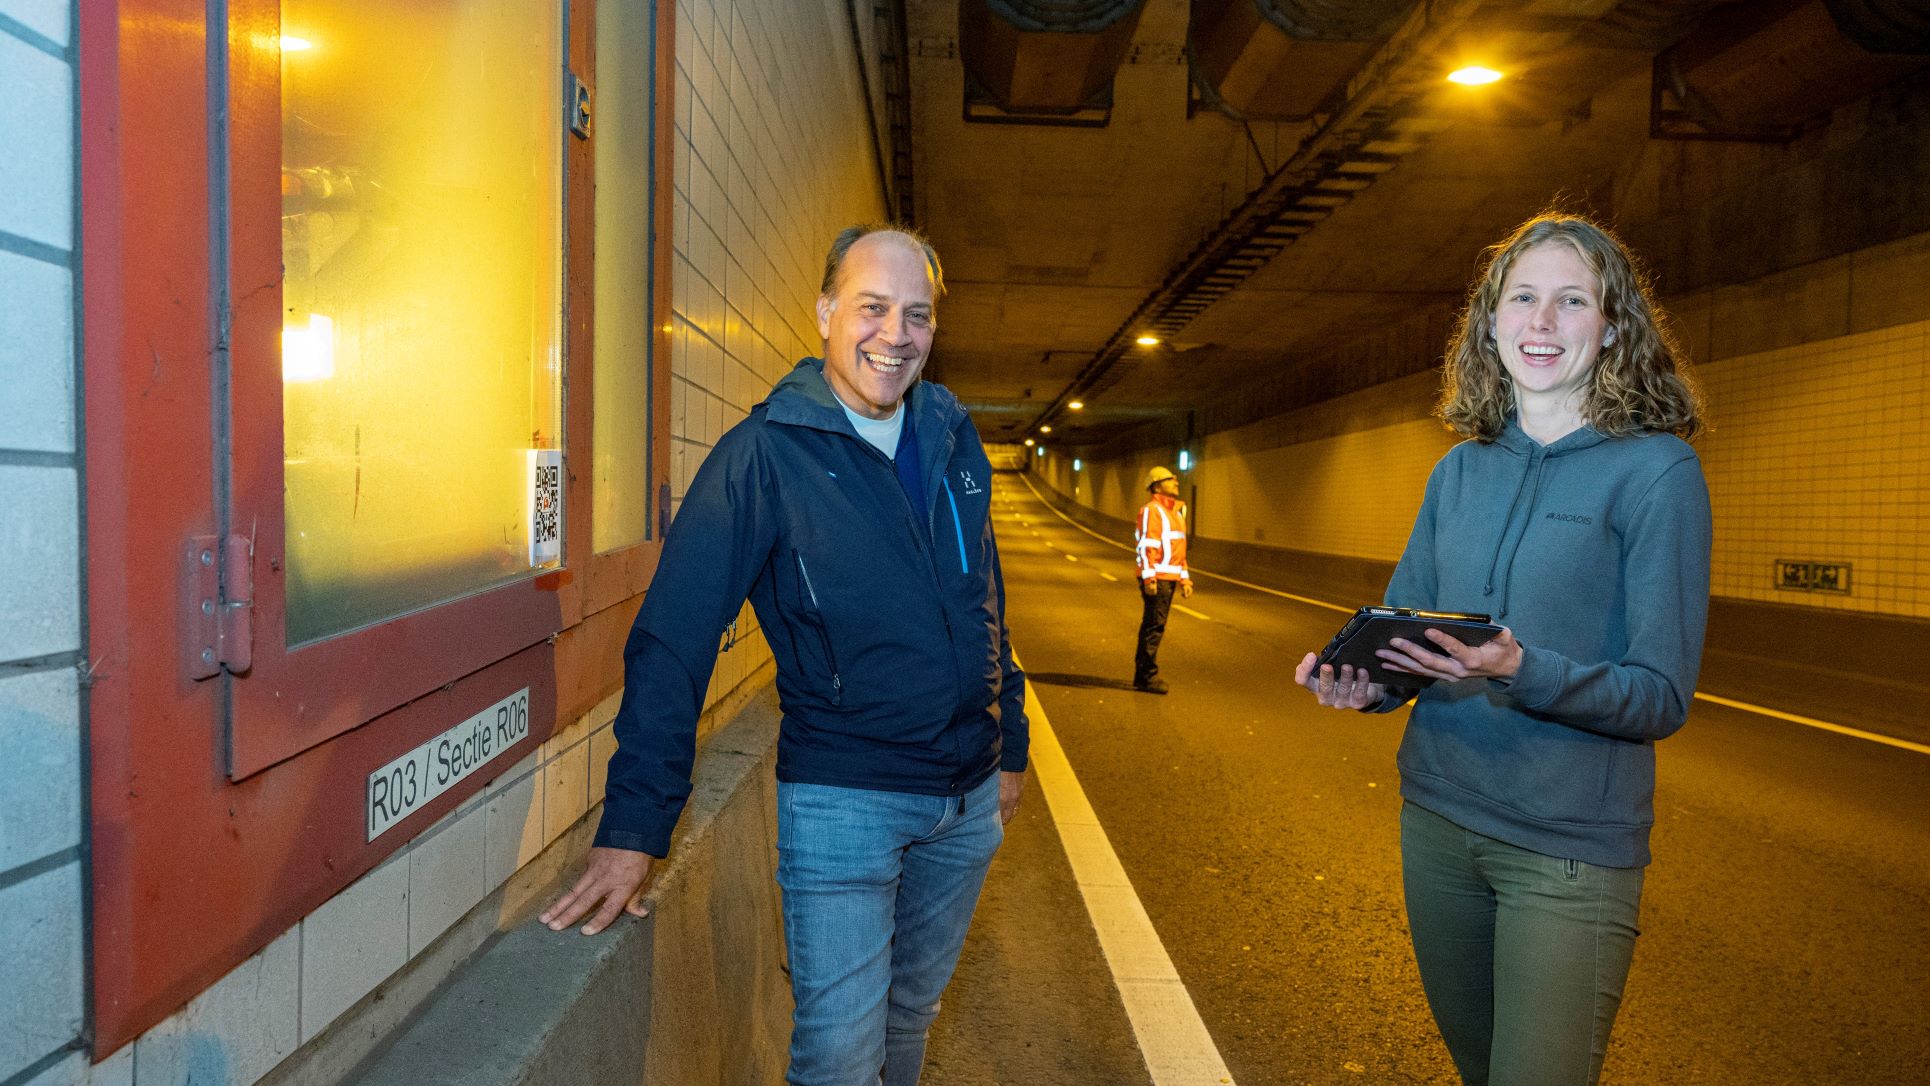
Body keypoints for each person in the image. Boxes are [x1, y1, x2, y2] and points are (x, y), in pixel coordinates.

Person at [541, 224, 1030, 1086]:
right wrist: (634, 828)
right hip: (846, 803)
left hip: (964, 806)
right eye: (872, 308)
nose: (895, 334)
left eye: (916, 315)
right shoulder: (763, 457)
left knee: (911, 1017)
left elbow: (984, 603)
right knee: (841, 1054)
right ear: (826, 312)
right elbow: (673, 640)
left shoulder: (954, 442)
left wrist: (1012, 746)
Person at [1293, 213, 1710, 1085]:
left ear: (1612, 326)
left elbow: (1660, 695)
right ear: (1490, 322)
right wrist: (1361, 684)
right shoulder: (1459, 470)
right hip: (1439, 827)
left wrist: (1520, 668)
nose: (1542, 323)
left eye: (1571, 301)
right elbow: (1413, 631)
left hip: (1566, 850)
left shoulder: (1657, 473)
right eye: (1522, 299)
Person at [1132, 465, 1193, 694]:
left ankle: (1143, 674)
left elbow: (1179, 551)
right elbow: (1147, 545)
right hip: (1157, 578)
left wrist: (1185, 580)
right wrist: (1149, 578)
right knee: (1153, 627)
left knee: (1154, 626)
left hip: (1169, 578)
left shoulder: (1175, 513)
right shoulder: (1153, 510)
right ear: (1157, 486)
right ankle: (1146, 676)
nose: (1176, 481)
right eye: (1170, 479)